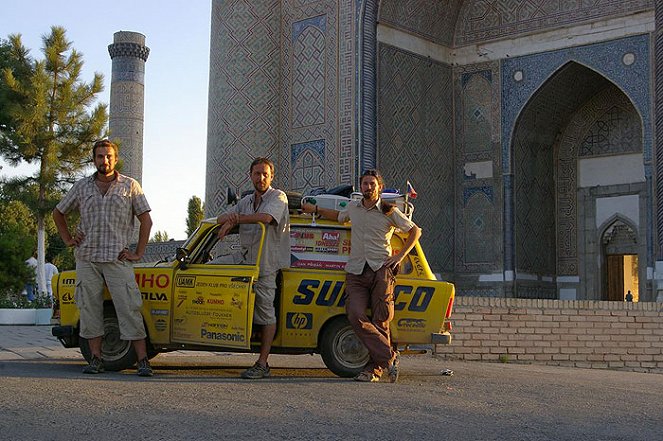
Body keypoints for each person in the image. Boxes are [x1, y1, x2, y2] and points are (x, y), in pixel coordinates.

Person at [302, 169, 421, 382]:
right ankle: (389, 357)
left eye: (372, 184)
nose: (368, 187)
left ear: (379, 187)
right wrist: (315, 209)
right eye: (365, 184)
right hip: (356, 270)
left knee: (381, 319)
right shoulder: (354, 208)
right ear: (361, 187)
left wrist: (400, 256)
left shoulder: (388, 211)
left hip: (380, 269)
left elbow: (415, 231)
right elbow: (338, 217)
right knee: (355, 314)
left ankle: (374, 370)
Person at [52, 139, 154, 377]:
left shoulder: (130, 186)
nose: (104, 160)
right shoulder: (81, 187)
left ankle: (142, 360)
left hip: (118, 258)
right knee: (89, 309)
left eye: (108, 156)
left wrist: (137, 253)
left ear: (115, 158)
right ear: (94, 159)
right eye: (100, 156)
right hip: (87, 258)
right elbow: (58, 212)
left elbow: (146, 220)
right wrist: (68, 239)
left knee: (129, 307)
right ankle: (96, 359)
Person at [216, 157, 290, 379]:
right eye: (257, 174)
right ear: (250, 176)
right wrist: (230, 220)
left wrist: (236, 220)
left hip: (266, 264)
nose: (261, 178)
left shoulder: (278, 197)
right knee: (210, 269)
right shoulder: (247, 201)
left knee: (266, 311)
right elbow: (219, 218)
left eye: (265, 174)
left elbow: (266, 218)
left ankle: (262, 362)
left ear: (272, 176)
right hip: (244, 261)